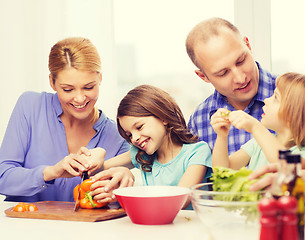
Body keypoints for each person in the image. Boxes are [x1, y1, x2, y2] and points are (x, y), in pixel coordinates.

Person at [0, 37, 131, 202]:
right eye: (68, 89)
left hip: (83, 228)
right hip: (21, 225)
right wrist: (51, 172)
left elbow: (111, 201)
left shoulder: (117, 137)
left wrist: (117, 190)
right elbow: (3, 177)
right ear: (52, 82)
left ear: (100, 78)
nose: (80, 98)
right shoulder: (30, 106)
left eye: (88, 87)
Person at [90, 85, 213, 209]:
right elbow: (96, 171)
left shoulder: (197, 152)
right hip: (156, 226)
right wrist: (101, 155)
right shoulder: (141, 155)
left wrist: (126, 196)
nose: (134, 138)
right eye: (129, 135)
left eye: (139, 127)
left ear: (163, 117)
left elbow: (180, 201)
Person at [186, 17, 277, 155]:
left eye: (241, 61)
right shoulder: (198, 122)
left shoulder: (296, 95)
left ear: (248, 45)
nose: (240, 78)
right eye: (223, 73)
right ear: (203, 76)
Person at [210, 72, 305, 170]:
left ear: (295, 114)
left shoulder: (302, 154)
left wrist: (256, 127)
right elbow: (222, 170)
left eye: (276, 98)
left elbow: (288, 166)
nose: (266, 100)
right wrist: (222, 137)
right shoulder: (257, 144)